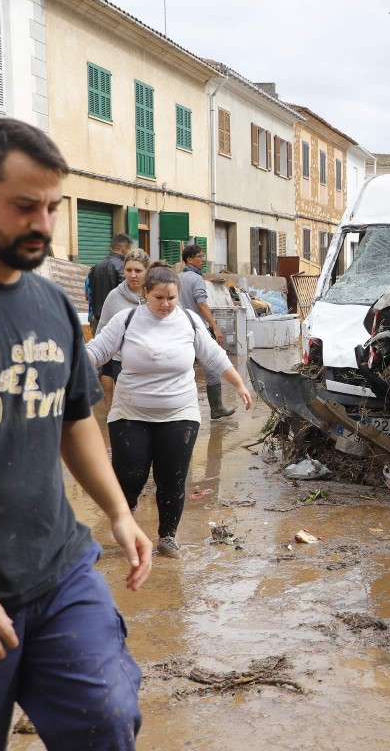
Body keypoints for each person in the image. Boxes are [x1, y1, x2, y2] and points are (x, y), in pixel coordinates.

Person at [0, 118, 152, 748]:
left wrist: (118, 513)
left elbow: (75, 419)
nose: (43, 224)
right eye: (24, 206)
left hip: (58, 570)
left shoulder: (50, 305)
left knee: (107, 717)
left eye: (51, 206)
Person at [86, 261, 253, 559]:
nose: (166, 304)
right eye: (159, 298)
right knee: (130, 476)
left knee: (172, 477)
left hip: (180, 412)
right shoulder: (127, 319)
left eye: (171, 298)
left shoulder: (189, 320)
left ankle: (167, 537)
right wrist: (68, 365)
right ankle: (127, 512)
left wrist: (239, 384)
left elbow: (213, 355)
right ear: (145, 294)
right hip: (130, 412)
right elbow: (97, 350)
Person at [178, 243, 235, 419]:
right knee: (211, 367)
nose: (204, 260)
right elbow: (201, 304)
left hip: (179, 328)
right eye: (200, 256)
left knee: (182, 370)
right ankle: (217, 409)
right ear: (189, 259)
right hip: (197, 329)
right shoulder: (196, 279)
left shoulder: (177, 278)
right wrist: (215, 327)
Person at [95, 247, 150, 403]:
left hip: (150, 361)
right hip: (122, 362)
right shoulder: (114, 297)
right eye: (128, 270)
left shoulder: (155, 295)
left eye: (138, 271)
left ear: (147, 271)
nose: (132, 275)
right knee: (128, 406)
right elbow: (102, 331)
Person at [88, 232, 132, 328]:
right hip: (118, 323)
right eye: (129, 251)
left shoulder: (95, 268)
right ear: (124, 250)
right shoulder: (124, 268)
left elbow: (89, 295)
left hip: (98, 321)